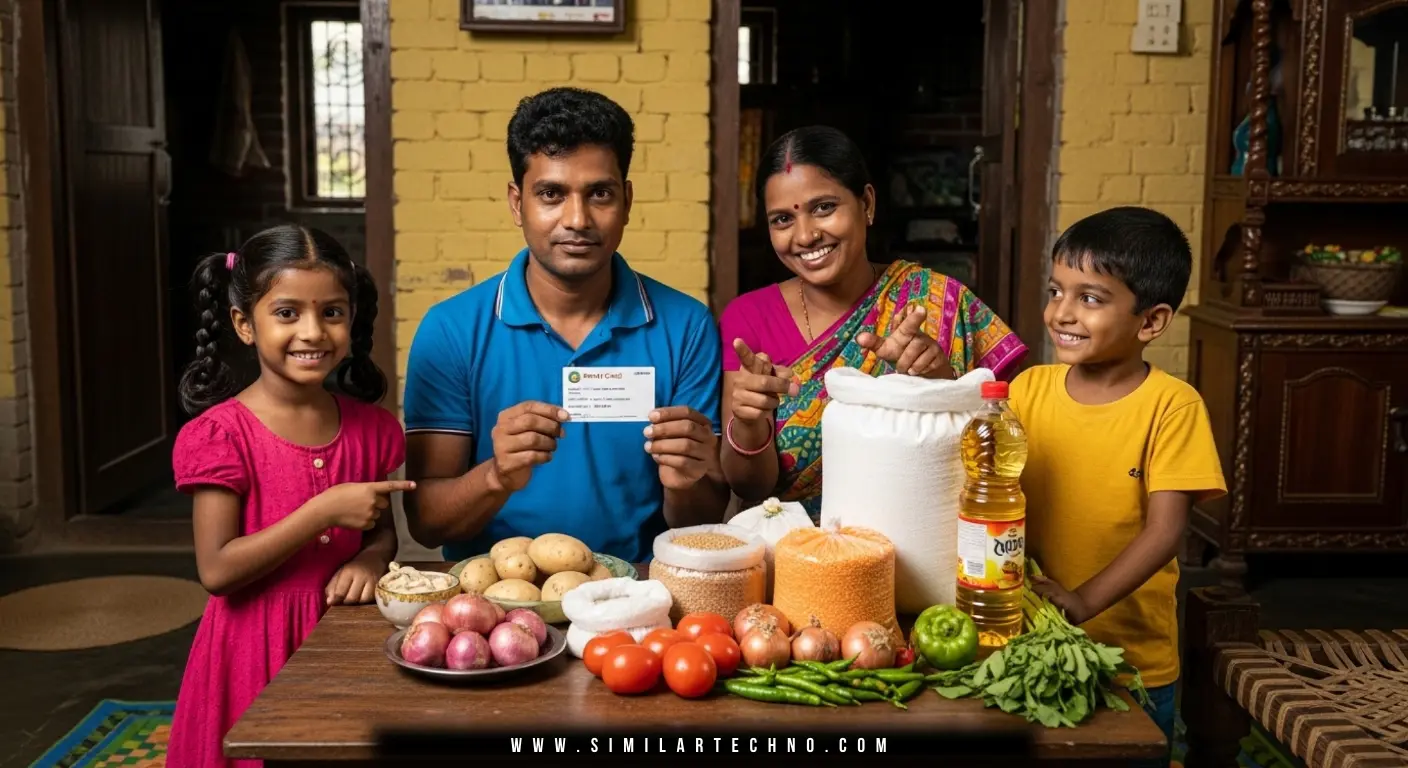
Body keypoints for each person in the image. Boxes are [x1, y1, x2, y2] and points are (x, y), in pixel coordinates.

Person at [401, 87, 728, 564]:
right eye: (551, 194)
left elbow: (703, 520)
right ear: (517, 203)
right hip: (496, 594)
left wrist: (685, 482)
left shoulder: (686, 326)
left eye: (600, 194)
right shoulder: (450, 331)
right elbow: (426, 524)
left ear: (627, 200)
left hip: (640, 590)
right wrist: (496, 476)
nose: (577, 219)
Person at [166, 225, 410, 768]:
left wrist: (371, 560)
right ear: (244, 325)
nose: (312, 332)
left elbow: (381, 531)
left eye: (332, 312)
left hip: (343, 639)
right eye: (286, 313)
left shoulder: (372, 430)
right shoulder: (221, 435)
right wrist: (322, 511)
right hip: (250, 649)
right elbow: (217, 570)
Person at [1009, 206, 1227, 768]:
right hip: (1032, 646)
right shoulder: (1028, 389)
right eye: (1056, 291)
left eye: (1090, 298)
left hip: (1133, 662)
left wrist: (1083, 601)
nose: (1062, 312)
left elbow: (1165, 532)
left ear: (1151, 322)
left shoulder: (1172, 406)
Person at [719, 125, 1028, 517]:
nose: (806, 235)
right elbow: (749, 486)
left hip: (922, 534)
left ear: (866, 203)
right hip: (793, 545)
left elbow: (1003, 451)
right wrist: (749, 424)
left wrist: (939, 382)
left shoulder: (936, 300)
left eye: (823, 208)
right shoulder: (748, 317)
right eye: (782, 219)